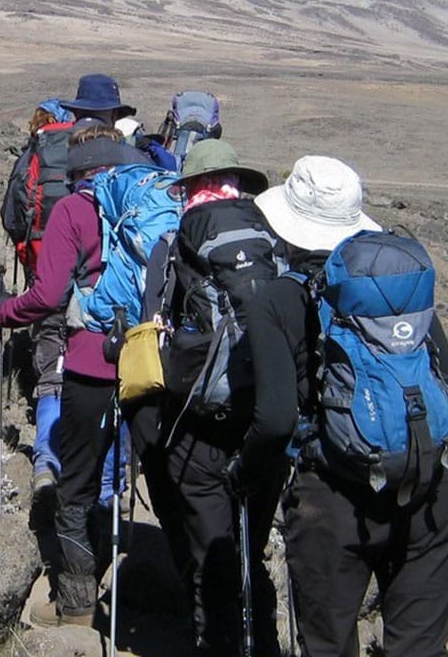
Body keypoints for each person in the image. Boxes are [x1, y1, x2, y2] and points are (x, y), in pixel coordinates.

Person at [254, 156, 448, 657]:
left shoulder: (278, 299)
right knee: (419, 648)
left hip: (332, 500)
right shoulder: (397, 285)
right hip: (428, 490)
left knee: (328, 645)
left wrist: (250, 472)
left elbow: (275, 418)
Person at [0, 128, 150, 627]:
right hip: (150, 361)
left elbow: (46, 297)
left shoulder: (73, 211)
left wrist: (1, 310)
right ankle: (126, 578)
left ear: (74, 171)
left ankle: (76, 604)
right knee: (114, 472)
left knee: (75, 484)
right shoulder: (148, 210)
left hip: (90, 362)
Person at [154, 139, 307, 655]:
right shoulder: (273, 237)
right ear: (239, 182)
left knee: (211, 555)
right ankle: (262, 640)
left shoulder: (179, 240)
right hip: (270, 415)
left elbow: (163, 325)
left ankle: (214, 640)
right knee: (252, 548)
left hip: (203, 423)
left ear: (191, 185)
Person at [0, 75, 139, 494]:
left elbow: (12, 217)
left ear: (75, 110)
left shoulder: (43, 151)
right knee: (117, 389)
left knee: (52, 375)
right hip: (111, 300)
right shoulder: (130, 161)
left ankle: (46, 461)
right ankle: (109, 489)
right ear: (115, 113)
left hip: (48, 280)